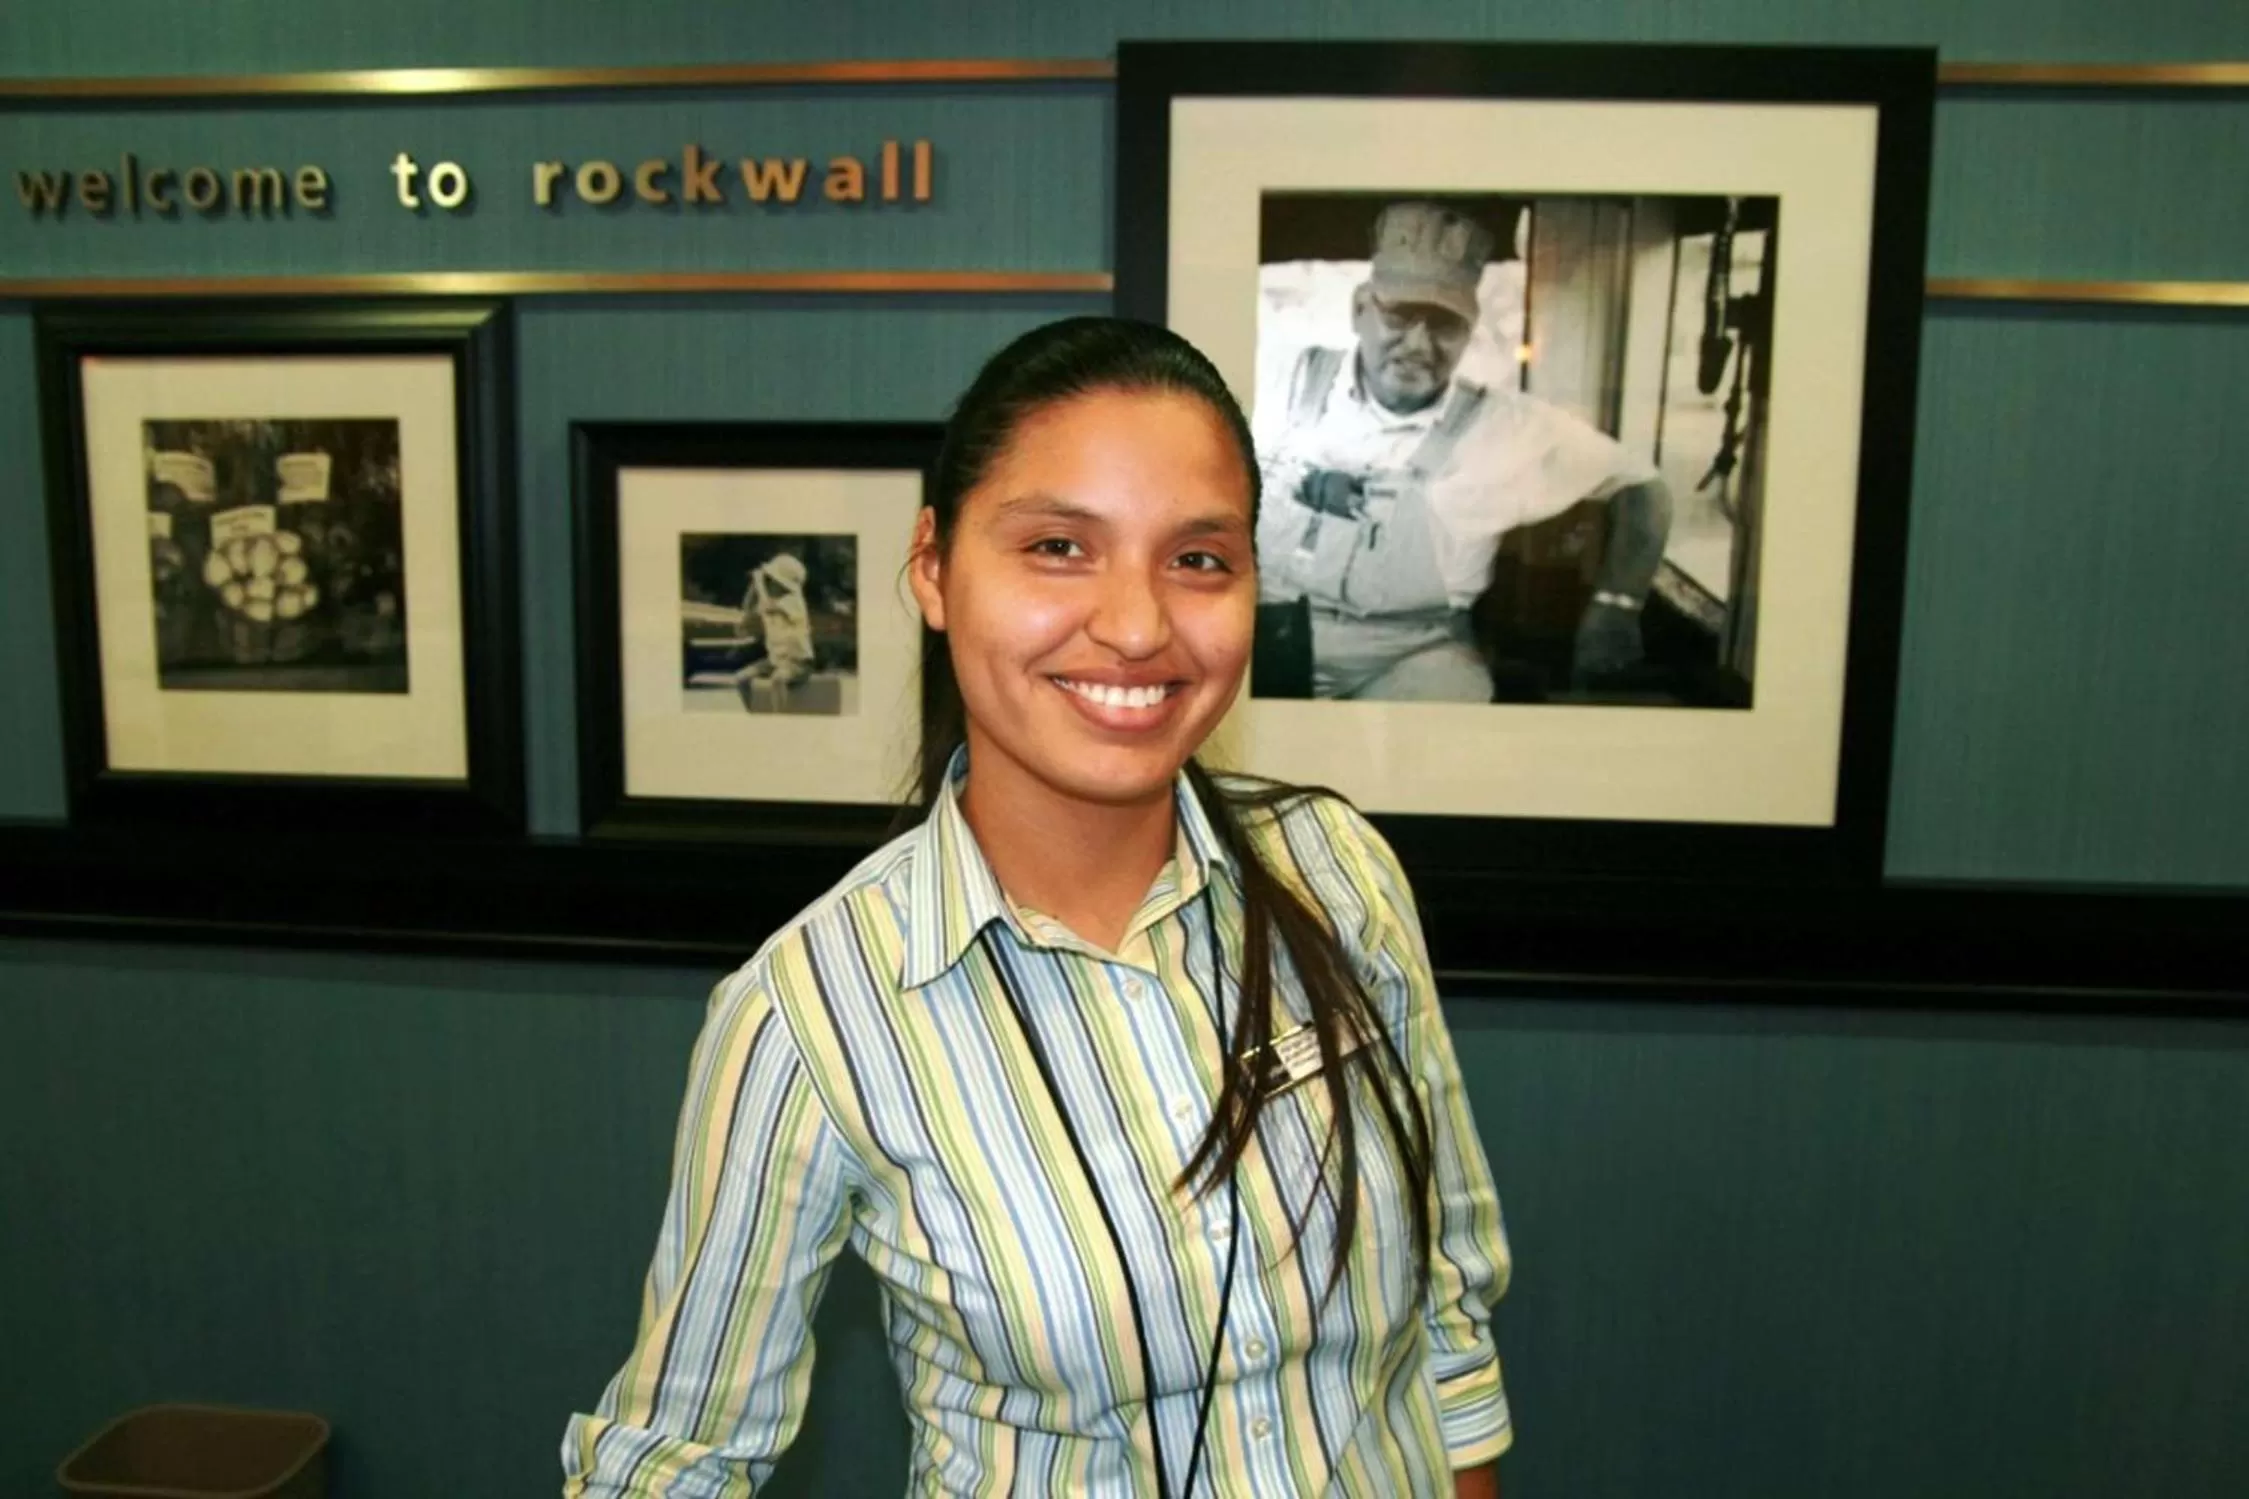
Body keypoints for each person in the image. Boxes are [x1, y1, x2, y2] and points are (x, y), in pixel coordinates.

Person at [562, 317, 1513, 1498]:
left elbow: (1446, 1302)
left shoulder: (1335, 871)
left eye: (1198, 558)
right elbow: (672, 1458)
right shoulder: (812, 1012)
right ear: (931, 567)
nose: (1135, 623)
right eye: (1059, 545)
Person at [1255, 200, 1674, 701]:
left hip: (1411, 655)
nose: (1418, 344)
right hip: (1261, 634)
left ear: (1468, 332)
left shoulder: (1507, 427)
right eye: (1401, 316)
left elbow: (1644, 486)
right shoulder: (1274, 382)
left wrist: (1618, 604)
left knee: (1451, 704)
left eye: (1444, 325)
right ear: (1361, 309)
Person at [737, 550, 815, 688]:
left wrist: (759, 581)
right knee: (742, 679)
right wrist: (754, 584)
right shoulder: (770, 598)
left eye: (772, 579)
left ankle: (777, 710)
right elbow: (747, 607)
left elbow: (767, 607)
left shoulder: (793, 601)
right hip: (775, 662)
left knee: (778, 679)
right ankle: (757, 709)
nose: (770, 583)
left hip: (798, 663)